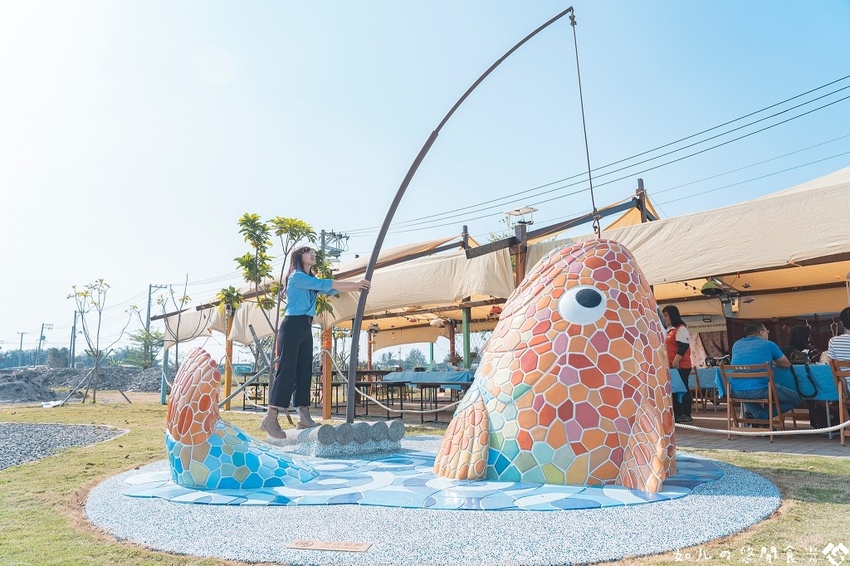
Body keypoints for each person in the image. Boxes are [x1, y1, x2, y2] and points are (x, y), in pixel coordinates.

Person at [259, 247, 371, 439]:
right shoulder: (296, 277)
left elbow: (331, 288)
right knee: (287, 371)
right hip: (292, 325)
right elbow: (324, 284)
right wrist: (355, 284)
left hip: (305, 326)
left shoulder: (310, 280)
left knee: (304, 371)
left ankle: (304, 415)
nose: (313, 254)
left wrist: (356, 287)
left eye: (313, 252)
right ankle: (270, 418)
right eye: (307, 252)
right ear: (298, 257)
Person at [729, 322, 800, 420]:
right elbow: (786, 364)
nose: (768, 333)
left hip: (736, 391)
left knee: (748, 392)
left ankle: (759, 420)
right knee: (795, 398)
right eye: (767, 331)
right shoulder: (768, 344)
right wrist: (773, 362)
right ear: (761, 333)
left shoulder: (736, 345)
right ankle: (761, 417)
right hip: (759, 391)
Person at [661, 305, 693, 424]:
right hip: (672, 366)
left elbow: (683, 346)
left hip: (680, 365)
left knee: (682, 388)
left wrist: (675, 362)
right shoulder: (670, 330)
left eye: (666, 316)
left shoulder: (681, 329)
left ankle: (686, 413)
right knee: (675, 390)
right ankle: (678, 413)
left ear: (672, 315)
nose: (665, 318)